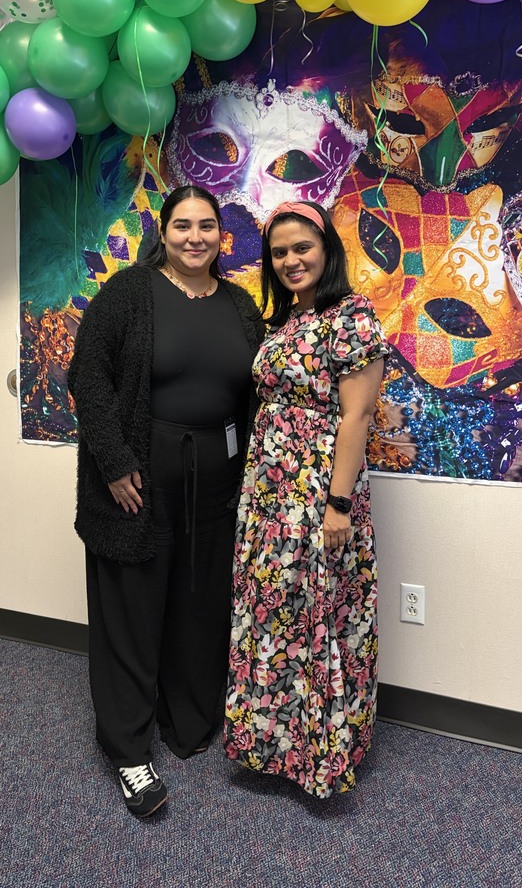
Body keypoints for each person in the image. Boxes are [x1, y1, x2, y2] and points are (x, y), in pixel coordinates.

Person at [67, 184, 264, 818]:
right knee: (132, 608)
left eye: (207, 226)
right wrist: (116, 463)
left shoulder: (240, 305)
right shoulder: (129, 292)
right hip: (137, 481)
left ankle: (189, 720)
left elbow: (259, 391)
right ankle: (128, 751)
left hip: (218, 481)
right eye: (183, 225)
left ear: (220, 235)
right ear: (164, 230)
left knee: (200, 599)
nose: (195, 237)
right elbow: (88, 377)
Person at [224, 199, 390, 798]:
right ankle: (271, 747)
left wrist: (338, 504)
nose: (291, 260)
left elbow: (358, 415)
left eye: (303, 248)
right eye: (279, 252)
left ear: (327, 251)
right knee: (272, 613)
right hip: (269, 491)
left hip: (319, 490)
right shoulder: (283, 320)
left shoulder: (352, 316)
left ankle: (319, 757)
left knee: (316, 613)